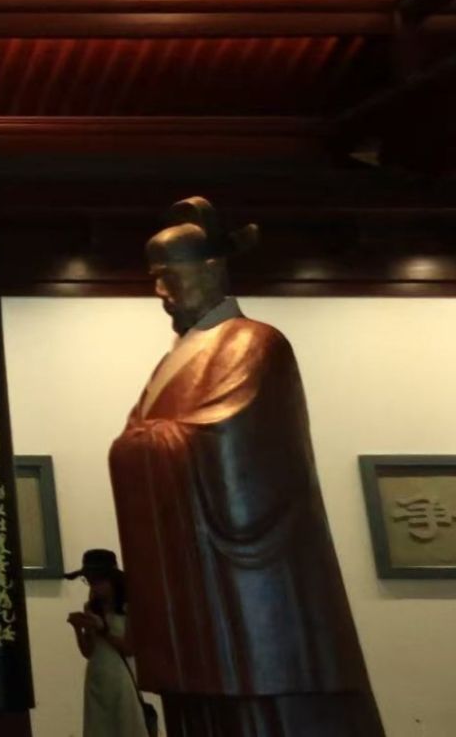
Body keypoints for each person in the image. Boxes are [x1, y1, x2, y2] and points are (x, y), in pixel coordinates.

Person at [107, 197, 383, 736]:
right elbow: (148, 434)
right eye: (155, 278)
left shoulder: (254, 342)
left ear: (212, 270)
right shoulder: (174, 359)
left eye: (170, 276)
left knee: (267, 707)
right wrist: (141, 444)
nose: (161, 291)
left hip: (252, 574)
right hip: (196, 576)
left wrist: (142, 445)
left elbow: (229, 441)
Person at [65, 549, 151, 737]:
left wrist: (103, 630)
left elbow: (129, 649)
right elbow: (88, 652)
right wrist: (78, 628)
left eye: (98, 581)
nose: (94, 587)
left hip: (120, 675)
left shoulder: (129, 608)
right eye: (90, 581)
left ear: (112, 580)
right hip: (97, 674)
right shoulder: (92, 607)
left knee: (126, 726)